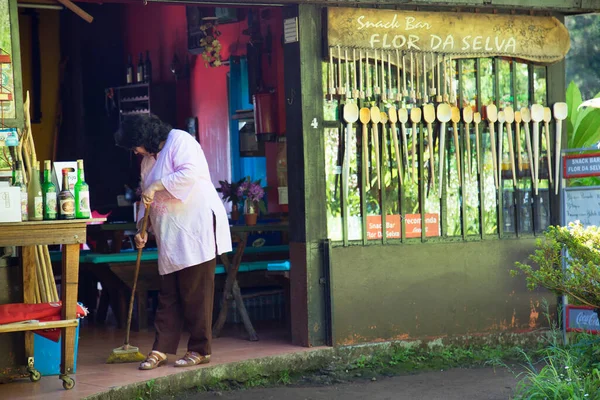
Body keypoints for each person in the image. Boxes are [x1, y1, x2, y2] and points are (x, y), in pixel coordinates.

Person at [115, 114, 232, 370]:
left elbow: (189, 174)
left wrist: (157, 185)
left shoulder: (181, 140)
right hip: (170, 232)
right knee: (168, 292)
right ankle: (161, 348)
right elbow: (147, 194)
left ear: (145, 137)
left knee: (195, 291)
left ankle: (201, 349)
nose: (135, 152)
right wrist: (142, 228)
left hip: (196, 226)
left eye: (135, 145)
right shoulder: (147, 160)